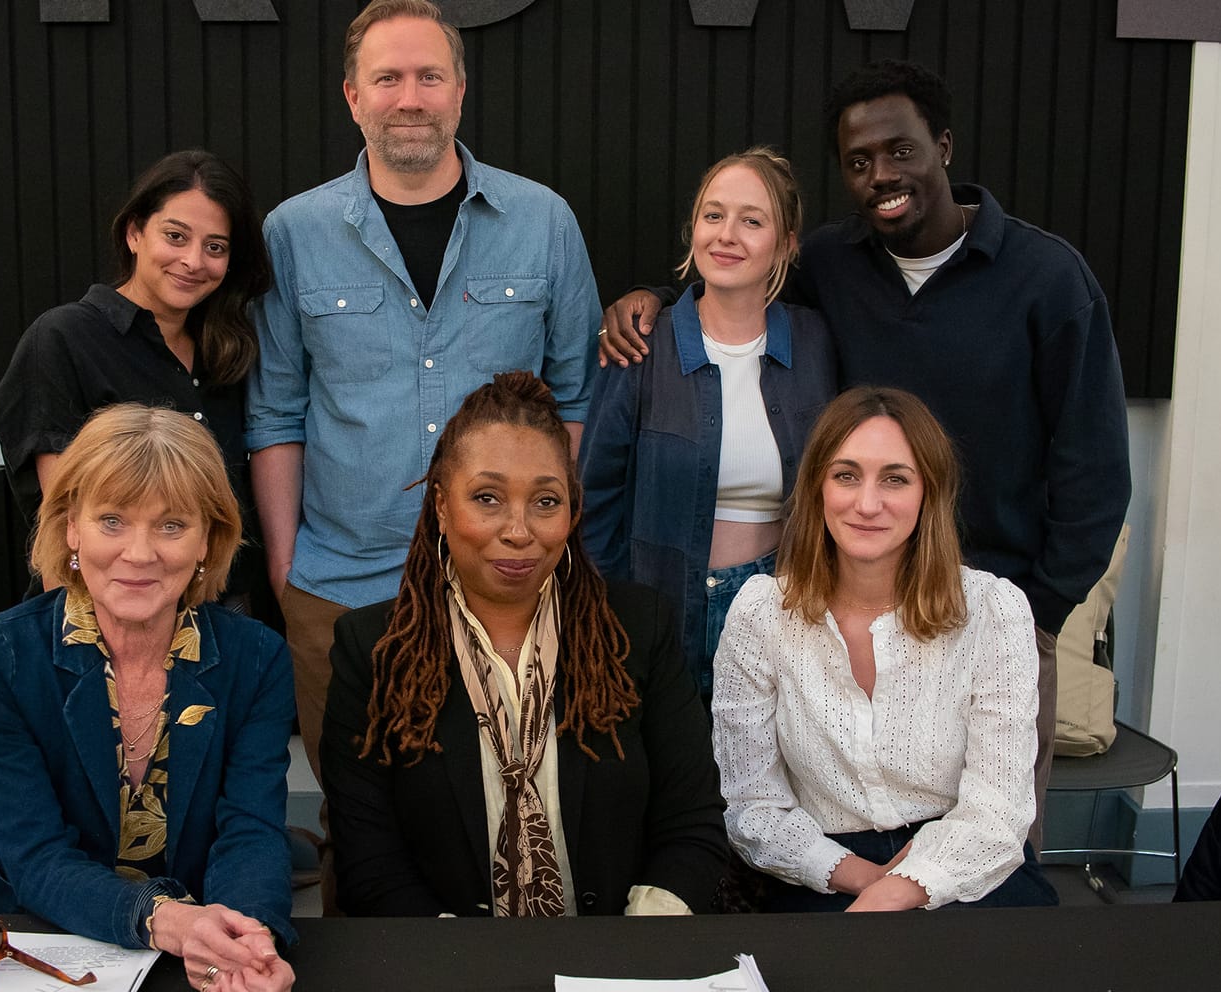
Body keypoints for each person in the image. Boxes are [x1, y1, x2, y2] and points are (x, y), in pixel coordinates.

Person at [602, 60, 1130, 834]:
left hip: (992, 614)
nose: (882, 175)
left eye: (900, 151)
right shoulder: (831, 265)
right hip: (853, 614)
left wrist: (1033, 614)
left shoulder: (1048, 280)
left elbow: (1097, 472)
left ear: (943, 146)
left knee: (989, 853)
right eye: (858, 163)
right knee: (838, 838)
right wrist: (654, 297)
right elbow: (736, 280)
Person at [247, 0, 602, 799]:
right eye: (388, 78)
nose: (410, 97)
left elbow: (577, 395)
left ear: (460, 92)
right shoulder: (293, 233)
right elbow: (275, 411)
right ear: (353, 97)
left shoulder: (542, 222)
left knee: (512, 806)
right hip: (340, 583)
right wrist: (283, 566)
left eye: (429, 76)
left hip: (508, 580)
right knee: (359, 820)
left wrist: (547, 540)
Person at [322, 372, 728, 918]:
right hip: (454, 972)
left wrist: (636, 948)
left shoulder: (637, 629)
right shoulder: (375, 649)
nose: (519, 530)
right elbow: (369, 863)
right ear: (441, 507)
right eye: (486, 498)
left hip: (620, 960)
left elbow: (692, 824)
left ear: (573, 509)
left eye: (545, 501)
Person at [0, 405, 297, 992]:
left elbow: (250, 830)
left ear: (207, 541)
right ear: (71, 530)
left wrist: (248, 942)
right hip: (34, 943)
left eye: (171, 526)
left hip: (190, 956)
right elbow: (33, 855)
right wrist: (166, 920)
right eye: (112, 520)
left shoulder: (257, 658)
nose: (139, 554)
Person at [712, 387, 1057, 911]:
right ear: (817, 488)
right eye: (846, 475)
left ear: (928, 493)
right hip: (821, 868)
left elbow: (998, 810)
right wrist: (861, 880)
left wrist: (901, 890)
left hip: (966, 863)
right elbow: (753, 807)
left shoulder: (993, 611)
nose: (867, 503)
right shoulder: (761, 614)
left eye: (895, 478)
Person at [579, 148, 835, 698]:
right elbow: (595, 496)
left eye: (752, 220)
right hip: (661, 610)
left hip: (786, 612)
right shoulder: (641, 345)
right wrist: (610, 612)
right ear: (692, 229)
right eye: (713, 215)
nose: (727, 235)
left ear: (786, 243)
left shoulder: (817, 344)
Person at [0, 149, 272, 609]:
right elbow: (63, 517)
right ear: (134, 232)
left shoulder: (233, 347)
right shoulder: (64, 339)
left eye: (215, 247)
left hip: (230, 615)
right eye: (175, 236)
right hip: (114, 614)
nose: (193, 260)